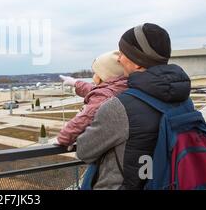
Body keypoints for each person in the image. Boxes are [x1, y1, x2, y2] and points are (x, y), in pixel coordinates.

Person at [75, 23, 192, 190]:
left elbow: (84, 151)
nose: (118, 59)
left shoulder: (119, 107)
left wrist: (87, 113)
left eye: (122, 53)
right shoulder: (185, 100)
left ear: (137, 63)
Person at [56, 51, 128, 147]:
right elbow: (95, 90)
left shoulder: (104, 95)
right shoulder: (121, 87)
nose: (93, 76)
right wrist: (76, 83)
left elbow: (84, 118)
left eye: (95, 73)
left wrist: (64, 138)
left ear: (104, 75)